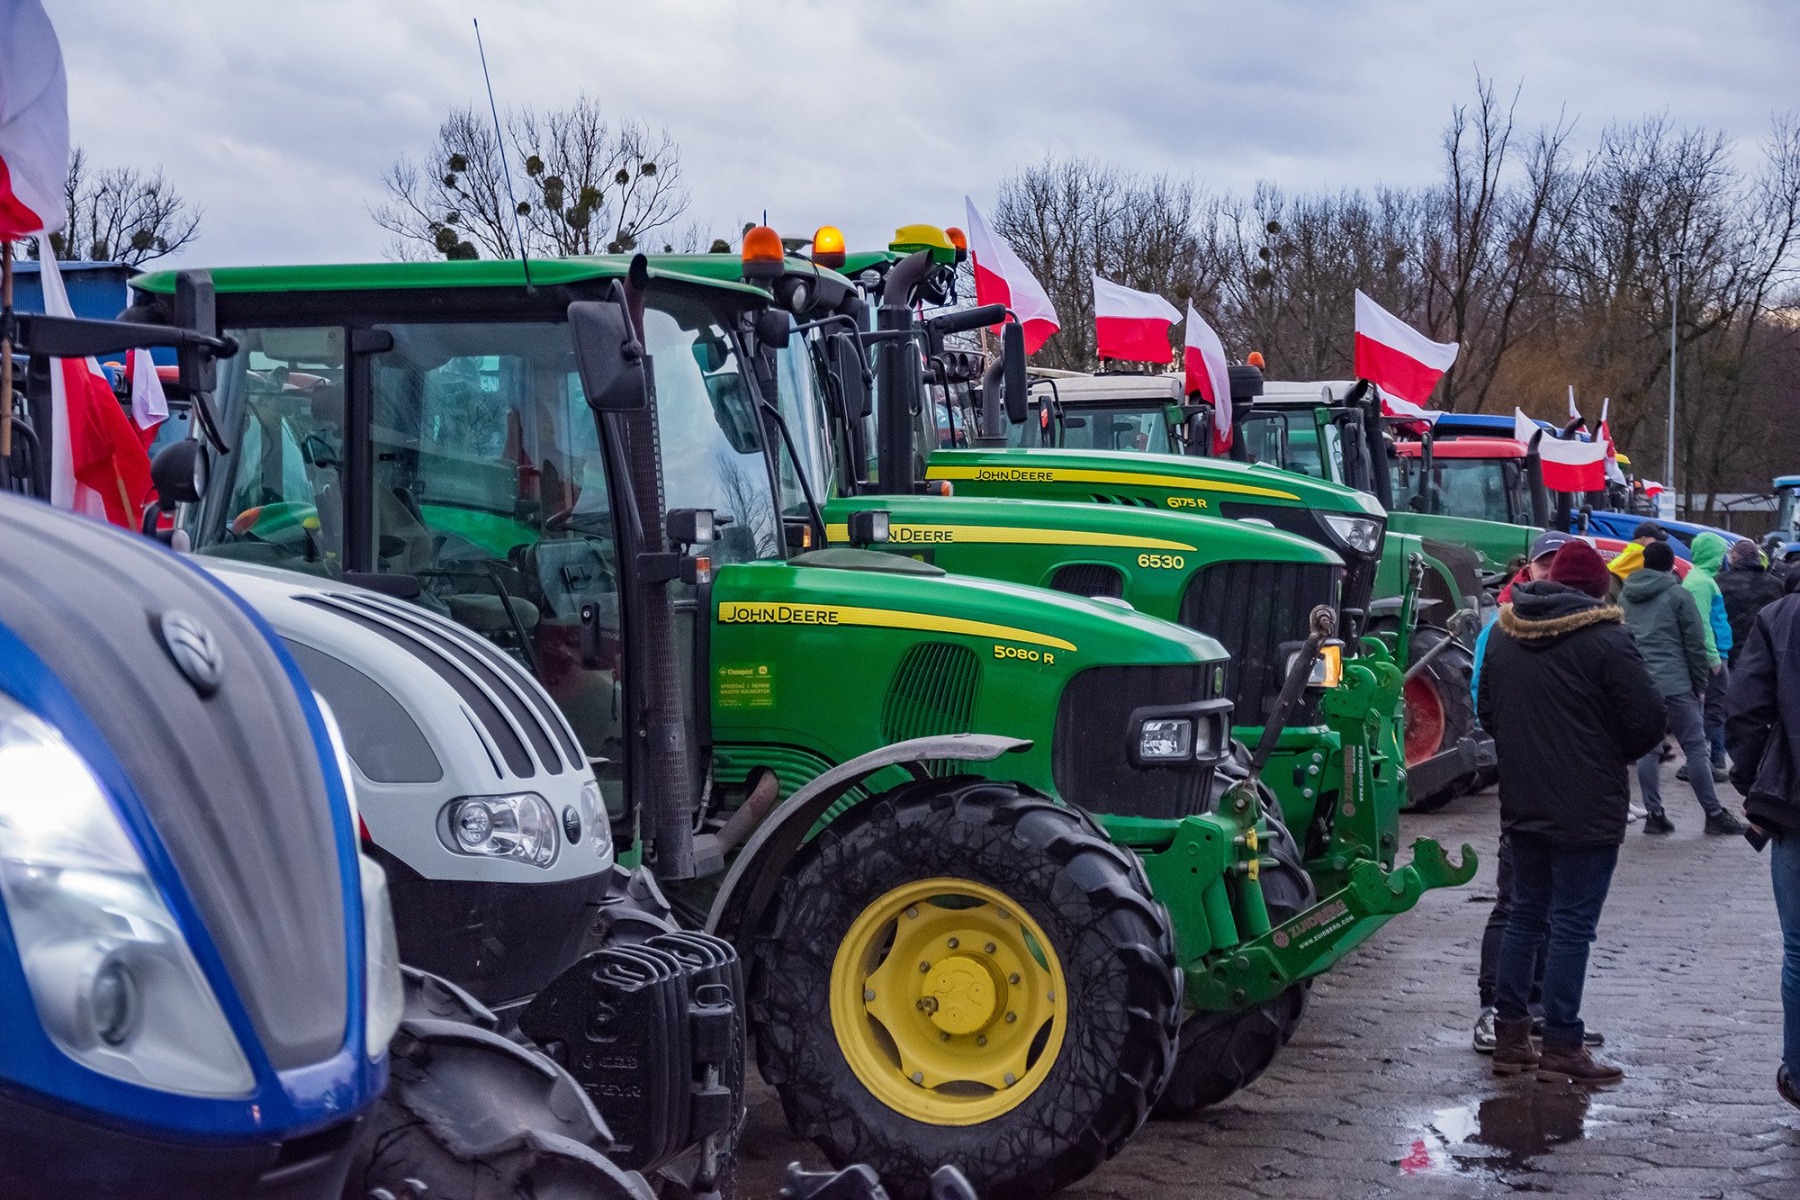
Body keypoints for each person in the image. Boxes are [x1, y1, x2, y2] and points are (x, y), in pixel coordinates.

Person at [1478, 540, 1666, 1084]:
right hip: (1587, 805)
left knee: (1524, 914)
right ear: (1596, 589)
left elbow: (1487, 710)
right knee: (1571, 926)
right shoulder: (1609, 640)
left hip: (1523, 799)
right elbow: (1649, 719)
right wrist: (1608, 755)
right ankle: (1562, 1041)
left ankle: (1511, 1036)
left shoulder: (1505, 637)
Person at [1724, 568, 1800, 1110]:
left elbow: (1746, 709)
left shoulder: (1781, 618)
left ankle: (1799, 1073)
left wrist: (1753, 782)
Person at [1620, 541, 1749, 835]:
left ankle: (1655, 815)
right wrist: (1700, 684)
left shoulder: (1626, 597)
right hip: (1677, 684)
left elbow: (1624, 640)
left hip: (1643, 684)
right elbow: (1694, 643)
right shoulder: (1678, 595)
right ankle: (1714, 814)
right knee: (1695, 749)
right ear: (1670, 566)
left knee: (1649, 752)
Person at [1721, 538, 1785, 668]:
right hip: (1763, 651)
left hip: (1729, 653)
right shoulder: (1775, 585)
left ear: (1735, 557)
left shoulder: (1720, 582)